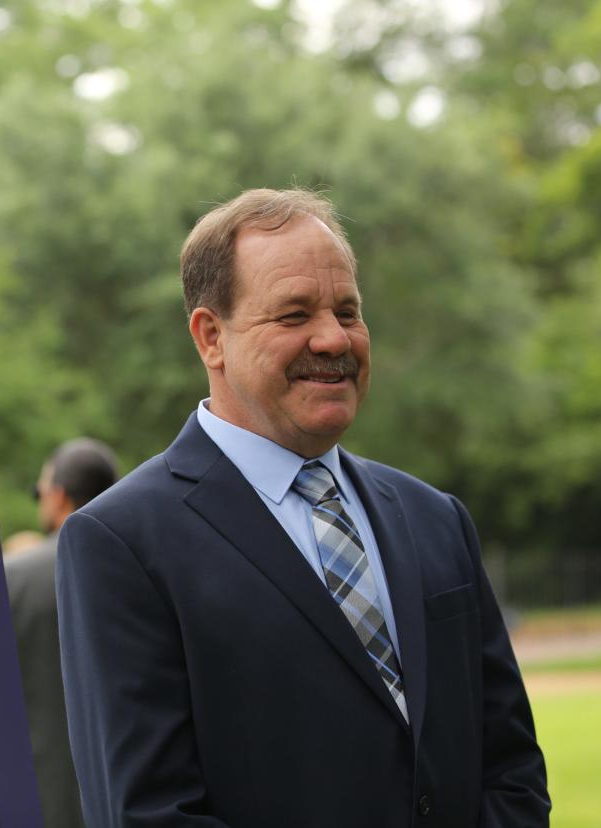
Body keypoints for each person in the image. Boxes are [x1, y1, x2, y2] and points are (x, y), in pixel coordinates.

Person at [57, 189, 549, 827]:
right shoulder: (120, 542)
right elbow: (149, 813)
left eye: (348, 310)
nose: (332, 338)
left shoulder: (436, 519)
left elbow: (510, 767)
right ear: (211, 337)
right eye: (293, 315)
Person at [6, 438, 119, 828]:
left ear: (57, 498)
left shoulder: (12, 580)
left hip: (42, 796)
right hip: (133, 794)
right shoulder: (146, 565)